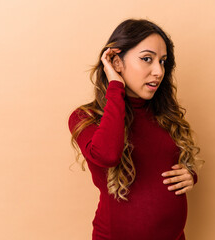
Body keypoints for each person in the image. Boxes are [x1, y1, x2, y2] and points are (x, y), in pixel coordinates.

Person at [68, 18, 204, 240]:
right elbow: (108, 155)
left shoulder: (164, 114)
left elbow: (161, 164)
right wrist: (115, 87)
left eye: (162, 61)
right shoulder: (85, 118)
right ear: (116, 61)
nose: (158, 71)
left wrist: (190, 175)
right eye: (147, 59)